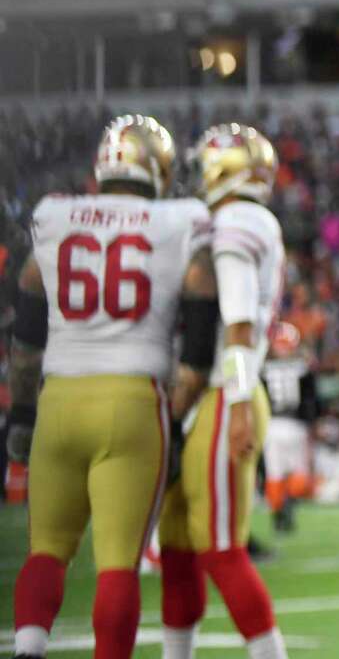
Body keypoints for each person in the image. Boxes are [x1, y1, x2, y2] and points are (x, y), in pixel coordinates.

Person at [8, 115, 217, 659]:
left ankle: (28, 647)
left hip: (59, 397)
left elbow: (26, 336)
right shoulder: (179, 220)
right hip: (132, 397)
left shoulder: (54, 216)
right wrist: (174, 419)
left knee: (46, 551)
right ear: (159, 167)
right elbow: (197, 348)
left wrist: (22, 414)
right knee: (118, 561)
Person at [157, 123, 289, 659]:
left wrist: (235, 404)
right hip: (209, 395)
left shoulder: (237, 220)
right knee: (179, 551)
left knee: (219, 547)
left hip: (221, 392)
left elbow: (237, 324)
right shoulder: (246, 218)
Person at [261, 321, 319, 532]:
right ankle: (289, 505)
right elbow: (312, 401)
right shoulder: (303, 369)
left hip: (271, 425)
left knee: (274, 473)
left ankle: (278, 512)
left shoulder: (263, 369)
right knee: (298, 473)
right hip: (295, 425)